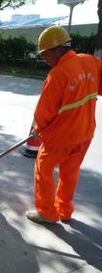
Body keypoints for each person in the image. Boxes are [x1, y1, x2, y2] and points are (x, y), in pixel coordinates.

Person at [26, 26, 101, 224]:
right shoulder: (90, 61)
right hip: (84, 134)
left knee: (43, 169)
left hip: (60, 139)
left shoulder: (58, 75)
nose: (44, 59)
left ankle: (47, 212)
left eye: (45, 55)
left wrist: (37, 131)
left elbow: (44, 113)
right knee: (70, 173)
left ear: (57, 50)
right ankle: (65, 210)